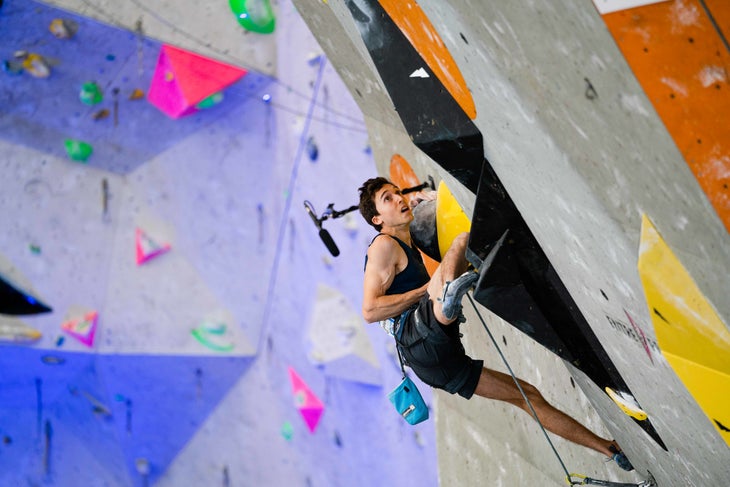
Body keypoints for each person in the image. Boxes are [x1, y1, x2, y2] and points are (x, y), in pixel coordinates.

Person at [358, 176, 633, 471]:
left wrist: (424, 199)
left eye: (397, 192)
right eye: (387, 198)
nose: (399, 198)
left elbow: (420, 208)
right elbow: (370, 310)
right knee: (461, 242)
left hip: (437, 364)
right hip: (419, 336)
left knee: (526, 396)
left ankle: (609, 448)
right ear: (376, 219)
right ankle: (446, 297)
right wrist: (426, 292)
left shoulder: (404, 238)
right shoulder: (383, 245)